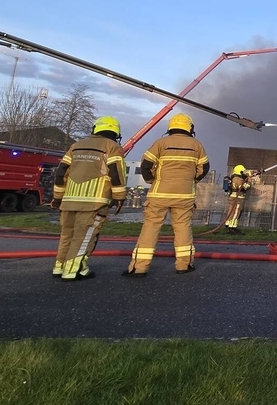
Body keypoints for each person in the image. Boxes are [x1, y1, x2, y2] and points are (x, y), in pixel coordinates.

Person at [123, 114, 209, 277]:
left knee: (150, 227)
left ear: (170, 127)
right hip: (184, 196)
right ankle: (184, 265)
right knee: (183, 227)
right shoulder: (197, 145)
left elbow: (146, 165)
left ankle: (139, 268)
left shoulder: (160, 143)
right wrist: (191, 180)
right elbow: (204, 168)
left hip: (159, 194)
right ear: (190, 128)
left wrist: (151, 180)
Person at [51, 116, 127, 280]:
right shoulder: (112, 147)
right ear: (115, 132)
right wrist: (119, 197)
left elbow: (61, 173)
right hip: (94, 202)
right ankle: (72, 271)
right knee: (84, 236)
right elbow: (115, 173)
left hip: (69, 201)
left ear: (95, 129)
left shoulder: (76, 146)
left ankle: (60, 266)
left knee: (67, 235)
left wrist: (57, 197)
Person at [222, 164, 252, 234]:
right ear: (240, 171)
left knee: (231, 211)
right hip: (237, 198)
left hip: (234, 197)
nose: (244, 172)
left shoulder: (235, 177)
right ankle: (232, 227)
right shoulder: (238, 179)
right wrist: (249, 179)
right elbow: (246, 187)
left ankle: (228, 224)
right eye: (243, 171)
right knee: (236, 212)